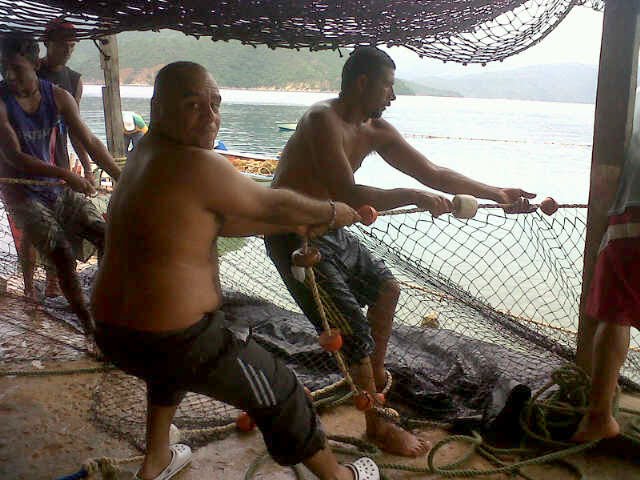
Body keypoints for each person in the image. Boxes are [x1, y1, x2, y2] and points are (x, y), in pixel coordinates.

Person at [91, 61, 379, 480]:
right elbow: (270, 203)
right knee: (280, 389)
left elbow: (227, 220)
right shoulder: (196, 163)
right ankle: (338, 477)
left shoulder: (144, 157)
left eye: (215, 103)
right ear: (157, 108)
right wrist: (332, 212)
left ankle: (156, 461)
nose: (209, 116)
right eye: (193, 104)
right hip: (175, 339)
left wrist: (298, 224)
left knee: (167, 376)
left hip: (117, 334)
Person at [264, 46, 536, 457]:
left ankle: (371, 382)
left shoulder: (377, 129)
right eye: (387, 86)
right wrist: (411, 195)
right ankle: (376, 422)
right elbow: (348, 191)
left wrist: (495, 191)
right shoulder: (323, 119)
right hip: (294, 236)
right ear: (362, 83)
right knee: (350, 329)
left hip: (332, 227)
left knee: (387, 289)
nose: (392, 96)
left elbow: (433, 173)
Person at [0, 35, 121, 334]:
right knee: (62, 255)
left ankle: (104, 305)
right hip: (22, 193)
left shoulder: (58, 96)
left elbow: (90, 140)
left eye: (16, 68)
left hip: (57, 187)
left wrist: (121, 177)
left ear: (34, 63)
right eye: (4, 68)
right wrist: (68, 175)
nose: (9, 76)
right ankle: (89, 325)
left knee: (108, 236)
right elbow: (14, 156)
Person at [572, 90, 640, 443]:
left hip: (631, 212)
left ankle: (598, 416)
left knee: (615, 314)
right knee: (615, 316)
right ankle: (599, 417)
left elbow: (610, 164)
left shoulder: (632, 95)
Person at [38, 18, 91, 298]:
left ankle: (55, 278)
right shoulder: (32, 72)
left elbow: (75, 128)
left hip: (59, 160)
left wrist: (86, 164)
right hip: (32, 157)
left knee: (61, 219)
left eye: (71, 46)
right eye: (62, 45)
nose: (68, 50)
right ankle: (43, 281)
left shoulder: (74, 80)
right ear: (47, 43)